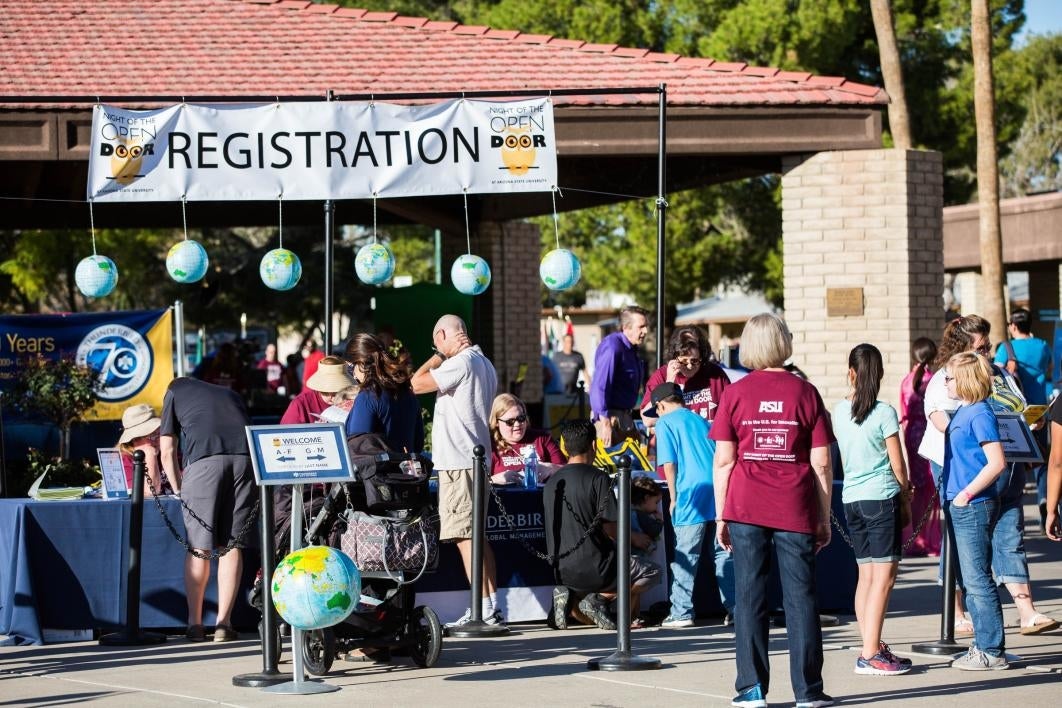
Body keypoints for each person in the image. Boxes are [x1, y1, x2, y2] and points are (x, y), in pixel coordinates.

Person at [711, 313, 834, 708]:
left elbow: (724, 462)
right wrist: (824, 515)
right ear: (784, 341)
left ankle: (750, 689)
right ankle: (808, 692)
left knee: (749, 597)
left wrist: (721, 515)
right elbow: (822, 464)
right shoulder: (806, 393)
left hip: (746, 504)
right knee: (801, 598)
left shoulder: (735, 393)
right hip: (794, 505)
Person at [919, 315, 1057, 637]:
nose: (987, 352)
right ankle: (956, 612)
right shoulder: (946, 380)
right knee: (963, 539)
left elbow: (1018, 407)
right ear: (964, 348)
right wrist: (983, 428)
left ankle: (1027, 611)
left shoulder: (999, 375)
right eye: (981, 347)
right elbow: (943, 423)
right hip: (961, 468)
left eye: (988, 346)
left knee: (1010, 531)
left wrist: (1029, 423)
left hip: (1005, 465)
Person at [411, 314, 502, 627]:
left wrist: (436, 356)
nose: (437, 349)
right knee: (478, 536)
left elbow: (415, 383)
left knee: (466, 536)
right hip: (475, 460)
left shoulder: (459, 362)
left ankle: (480, 610)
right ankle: (491, 606)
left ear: (443, 335)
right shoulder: (484, 362)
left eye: (437, 342)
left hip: (459, 462)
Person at [833, 344, 912, 676]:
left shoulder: (838, 410)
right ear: (878, 374)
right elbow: (898, 465)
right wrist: (907, 493)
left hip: (852, 498)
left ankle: (872, 645)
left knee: (865, 577)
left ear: (851, 372)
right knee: (884, 579)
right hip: (881, 498)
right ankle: (870, 653)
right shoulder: (884, 412)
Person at [159, 377, 256, 643]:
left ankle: (195, 624)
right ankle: (224, 623)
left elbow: (167, 449)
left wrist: (178, 489)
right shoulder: (231, 394)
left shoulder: (174, 389)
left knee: (199, 546)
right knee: (231, 544)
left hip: (204, 463)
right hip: (246, 461)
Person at [542, 419, 661, 631]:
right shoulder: (599, 478)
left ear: (564, 446)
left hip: (561, 571)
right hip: (599, 570)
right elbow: (612, 530)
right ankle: (601, 599)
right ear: (594, 446)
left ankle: (566, 598)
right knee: (651, 571)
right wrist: (635, 537)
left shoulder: (551, 482)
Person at [942, 352, 1010, 671]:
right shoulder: (964, 411)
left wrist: (966, 494)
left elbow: (997, 462)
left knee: (977, 578)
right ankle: (983, 644)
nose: (945, 382)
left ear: (966, 380)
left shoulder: (979, 413)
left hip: (973, 505)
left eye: (950, 377)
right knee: (971, 579)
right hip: (963, 503)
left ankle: (991, 649)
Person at [649, 382, 734, 629]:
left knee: (686, 555)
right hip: (718, 491)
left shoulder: (664, 423)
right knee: (723, 552)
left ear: (660, 405)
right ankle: (737, 609)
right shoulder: (701, 420)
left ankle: (681, 612)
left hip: (691, 493)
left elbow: (669, 463)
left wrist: (673, 498)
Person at [994, 307, 1052, 532]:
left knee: (1016, 459)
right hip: (1039, 409)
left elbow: (997, 378)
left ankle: (1012, 506)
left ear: (1013, 326)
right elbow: (1049, 369)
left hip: (1016, 411)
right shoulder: (1042, 346)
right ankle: (1044, 497)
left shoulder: (1005, 348)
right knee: (1041, 459)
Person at [344, 333, 423, 453]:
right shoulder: (408, 393)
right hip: (408, 469)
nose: (352, 375)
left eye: (350, 369)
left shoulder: (367, 397)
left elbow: (357, 448)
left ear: (360, 364)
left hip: (380, 470)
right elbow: (418, 444)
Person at [898, 337, 941, 557]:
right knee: (929, 487)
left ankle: (914, 538)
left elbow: (903, 410)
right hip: (928, 433)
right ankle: (928, 538)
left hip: (910, 434)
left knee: (917, 485)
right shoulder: (933, 380)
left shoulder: (906, 380)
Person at [640, 325, 730, 428]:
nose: (689, 366)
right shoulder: (662, 375)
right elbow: (647, 420)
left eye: (695, 361)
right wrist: (668, 384)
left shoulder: (715, 374)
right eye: (683, 361)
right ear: (674, 357)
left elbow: (731, 411)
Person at [590, 305, 649, 445]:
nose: (645, 331)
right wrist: (605, 423)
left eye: (646, 326)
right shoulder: (613, 347)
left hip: (625, 417)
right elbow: (600, 385)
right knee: (609, 466)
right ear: (626, 327)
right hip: (609, 419)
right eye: (641, 327)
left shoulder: (632, 349)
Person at [488, 393, 565, 485]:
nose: (517, 424)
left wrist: (551, 468)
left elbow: (568, 470)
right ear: (496, 422)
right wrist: (494, 479)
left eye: (521, 418)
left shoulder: (541, 438)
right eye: (510, 421)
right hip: (505, 498)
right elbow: (475, 483)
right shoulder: (490, 446)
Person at [117, 403, 176, 497]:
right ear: (135, 439)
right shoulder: (124, 462)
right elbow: (151, 492)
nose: (159, 439)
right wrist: (149, 455)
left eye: (159, 433)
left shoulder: (167, 452)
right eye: (152, 436)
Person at [280, 356, 356, 425]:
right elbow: (285, 435)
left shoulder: (353, 401)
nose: (332, 396)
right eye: (326, 391)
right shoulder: (300, 404)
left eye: (338, 391)